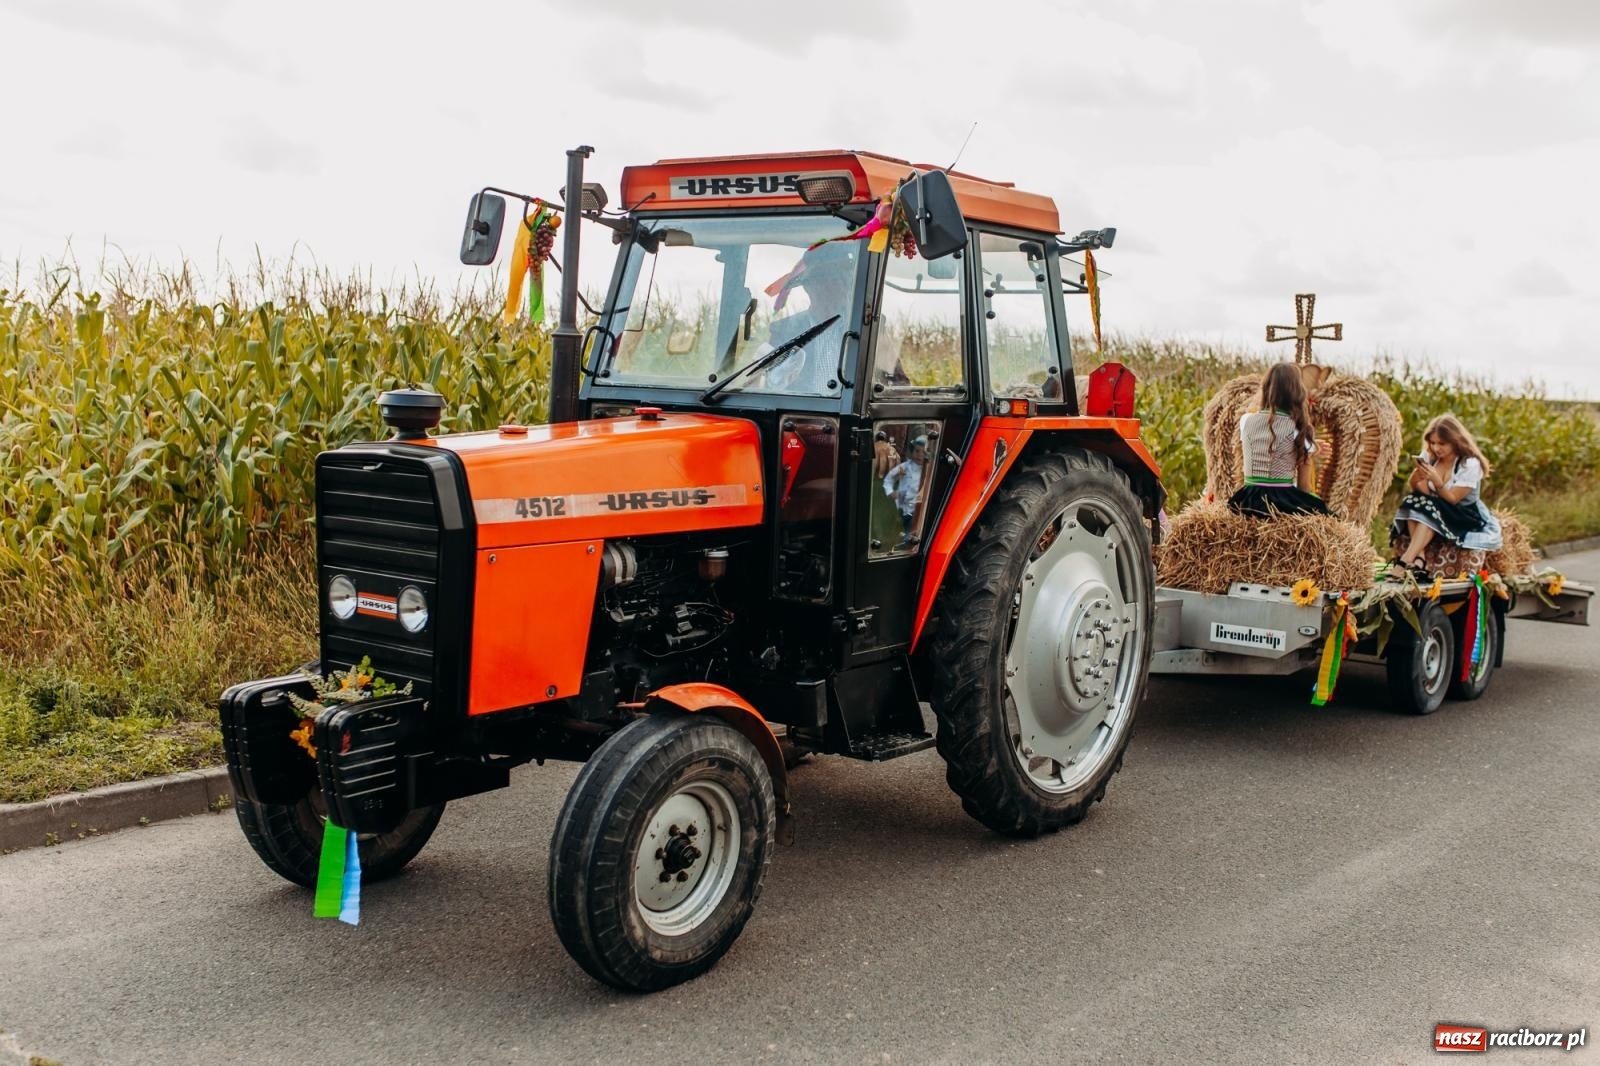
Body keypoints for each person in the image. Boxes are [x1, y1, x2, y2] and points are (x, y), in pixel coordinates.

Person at [1390, 414, 1502, 577]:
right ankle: (1419, 558)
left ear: (1455, 440)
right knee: (1413, 500)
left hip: (1463, 513)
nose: (1436, 448)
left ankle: (1405, 560)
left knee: (1430, 505)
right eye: (1433, 443)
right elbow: (1422, 492)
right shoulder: (1432, 457)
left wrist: (1437, 481)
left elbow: (1453, 499)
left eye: (1442, 443)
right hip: (1438, 508)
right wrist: (1418, 475)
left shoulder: (1469, 463)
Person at [1227, 362, 1332, 518]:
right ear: (1298, 392)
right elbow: (1304, 487)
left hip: (1248, 499)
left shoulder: (1246, 421)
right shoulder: (1298, 430)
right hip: (1280, 501)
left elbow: (1268, 448)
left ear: (1266, 389)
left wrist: (1312, 449)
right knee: (1324, 511)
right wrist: (1310, 450)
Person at [761, 240, 857, 394]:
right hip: (801, 414)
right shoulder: (783, 331)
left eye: (845, 280)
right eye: (831, 280)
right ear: (809, 287)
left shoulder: (866, 329)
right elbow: (767, 385)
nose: (841, 286)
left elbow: (893, 383)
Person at [883, 436, 929, 541]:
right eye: (917, 451)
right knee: (895, 531)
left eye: (924, 452)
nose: (920, 455)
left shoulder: (929, 470)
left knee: (912, 535)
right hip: (901, 509)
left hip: (918, 511)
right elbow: (888, 479)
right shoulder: (904, 467)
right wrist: (890, 492)